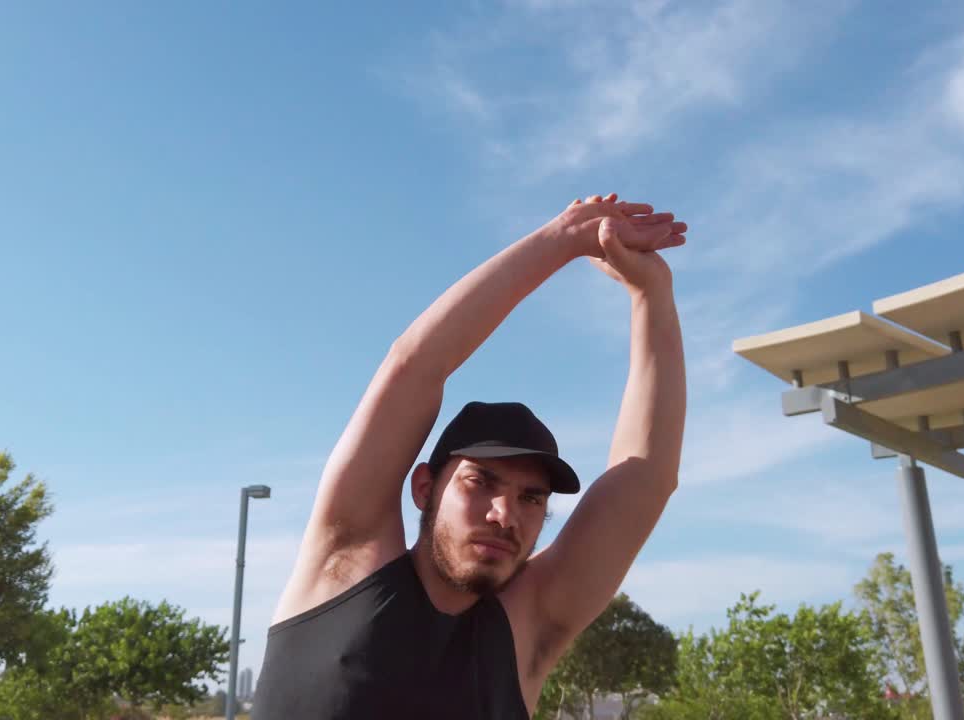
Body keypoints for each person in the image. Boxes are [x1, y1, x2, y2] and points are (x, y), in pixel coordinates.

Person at [252, 194, 688, 719]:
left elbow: (645, 480)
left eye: (530, 497)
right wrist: (564, 236)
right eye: (481, 481)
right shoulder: (347, 561)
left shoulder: (526, 635)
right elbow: (416, 364)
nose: (506, 514)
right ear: (424, 488)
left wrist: (652, 294)